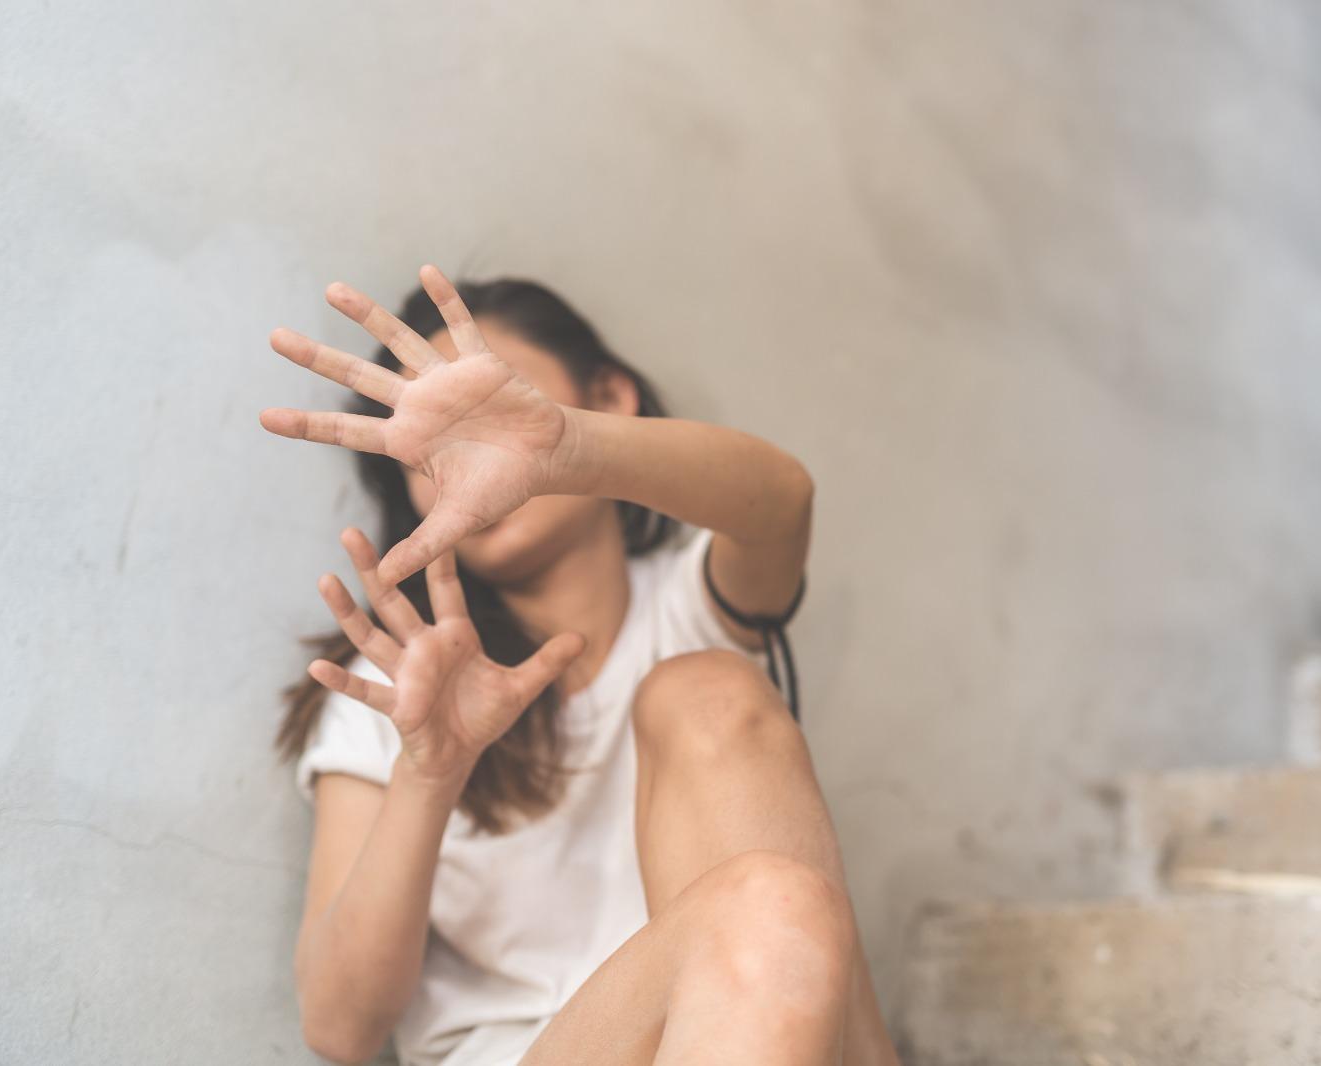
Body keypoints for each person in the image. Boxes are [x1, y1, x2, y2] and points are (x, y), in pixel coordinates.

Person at [262, 265, 899, 1065]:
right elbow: (338, 1027)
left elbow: (782, 504)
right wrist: (431, 774)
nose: (459, 458)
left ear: (610, 396)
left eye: (486, 409)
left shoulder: (685, 608)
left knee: (749, 832)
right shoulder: (396, 680)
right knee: (770, 908)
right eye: (422, 451)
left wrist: (566, 445)